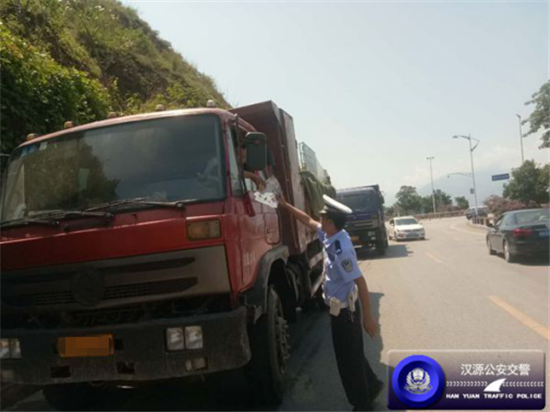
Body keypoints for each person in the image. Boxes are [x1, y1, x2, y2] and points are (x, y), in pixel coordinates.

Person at [277, 193, 383, 411]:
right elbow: (307, 220)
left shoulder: (342, 250)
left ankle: (362, 404)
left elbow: (361, 282)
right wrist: (285, 205)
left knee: (347, 360)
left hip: (346, 313)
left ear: (332, 223)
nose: (320, 219)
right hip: (339, 310)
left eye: (323, 218)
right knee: (353, 353)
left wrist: (368, 318)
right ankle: (371, 386)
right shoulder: (330, 234)